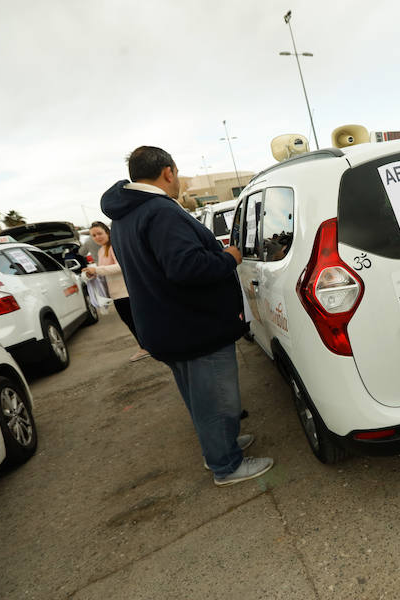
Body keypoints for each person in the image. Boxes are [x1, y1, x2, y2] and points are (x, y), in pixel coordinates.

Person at [100, 146, 273, 487]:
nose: (176, 181)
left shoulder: (122, 216)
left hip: (165, 326)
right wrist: (230, 258)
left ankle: (220, 447)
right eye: (176, 174)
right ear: (168, 172)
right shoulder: (160, 211)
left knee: (200, 399)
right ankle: (226, 464)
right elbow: (186, 267)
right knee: (218, 400)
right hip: (194, 327)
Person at [82, 221, 150, 362]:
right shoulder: (102, 250)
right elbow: (105, 271)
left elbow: (121, 266)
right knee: (131, 321)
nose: (97, 237)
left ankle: (147, 347)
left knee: (135, 321)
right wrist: (93, 273)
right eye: (93, 235)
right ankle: (146, 346)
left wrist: (97, 270)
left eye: (99, 233)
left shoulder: (114, 247)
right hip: (116, 294)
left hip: (126, 291)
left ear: (107, 232)